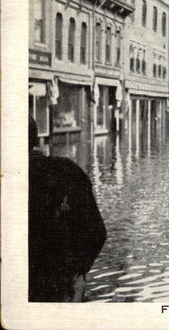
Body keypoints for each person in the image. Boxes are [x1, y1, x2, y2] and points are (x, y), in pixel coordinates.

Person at [28, 116, 107, 302]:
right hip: (63, 288)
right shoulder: (68, 171)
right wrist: (77, 273)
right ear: (38, 140)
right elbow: (97, 232)